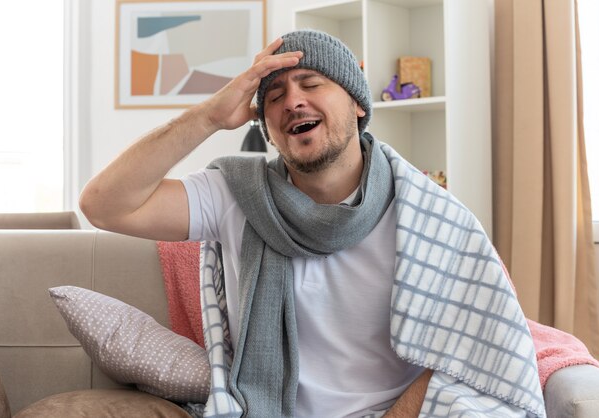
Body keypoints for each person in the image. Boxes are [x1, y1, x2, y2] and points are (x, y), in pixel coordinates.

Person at [80, 30, 545, 418]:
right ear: (267, 126)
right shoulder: (235, 194)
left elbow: (467, 352)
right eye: (275, 96)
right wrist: (210, 116)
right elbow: (104, 205)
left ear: (358, 104)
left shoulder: (428, 213)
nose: (293, 102)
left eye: (311, 83)